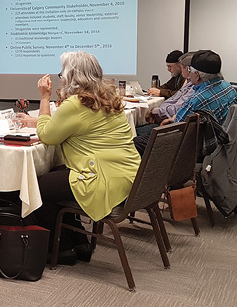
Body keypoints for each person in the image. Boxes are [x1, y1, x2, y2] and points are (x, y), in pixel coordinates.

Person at [32, 51, 140, 265]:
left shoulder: (76, 104)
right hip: (127, 175)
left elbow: (46, 135)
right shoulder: (108, 99)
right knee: (58, 177)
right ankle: (80, 241)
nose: (60, 78)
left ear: (71, 76)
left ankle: (62, 248)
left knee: (38, 185)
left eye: (62, 73)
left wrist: (45, 97)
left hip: (101, 179)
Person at [134, 52, 196, 142]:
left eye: (170, 66)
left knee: (134, 133)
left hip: (170, 127)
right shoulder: (180, 78)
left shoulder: (191, 84)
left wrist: (156, 111)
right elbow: (168, 89)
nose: (168, 69)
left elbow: (177, 104)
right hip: (169, 121)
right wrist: (156, 90)